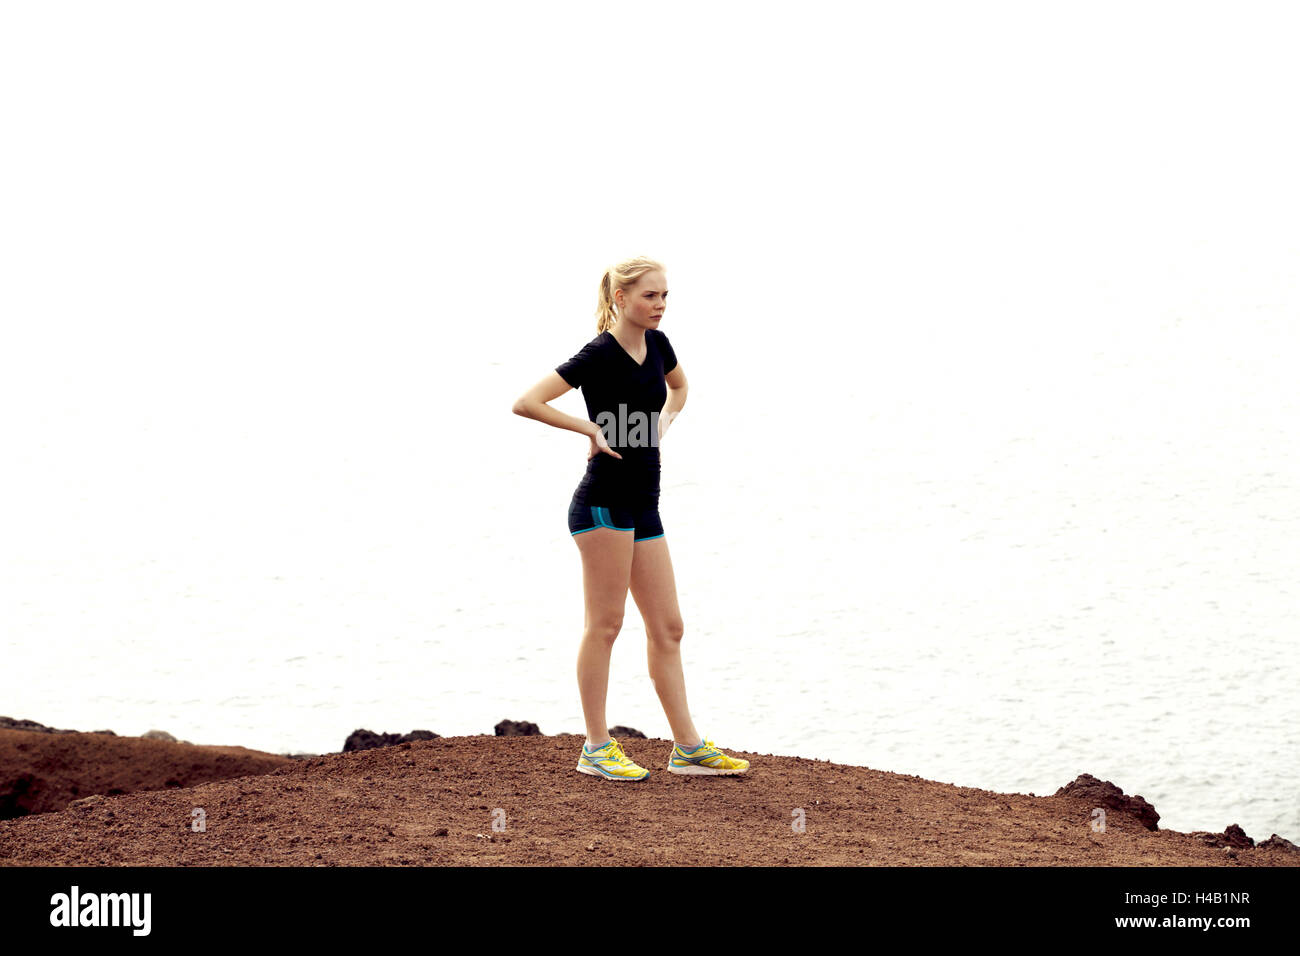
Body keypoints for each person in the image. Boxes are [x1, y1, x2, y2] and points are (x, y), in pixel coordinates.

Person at [511, 256, 750, 781]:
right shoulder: (599, 353)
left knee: (668, 627)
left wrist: (665, 419)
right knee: (607, 624)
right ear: (621, 298)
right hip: (602, 504)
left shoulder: (660, 345)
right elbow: (526, 402)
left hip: (645, 503)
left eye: (665, 296)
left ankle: (686, 748)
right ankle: (595, 747)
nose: (660, 305)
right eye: (650, 296)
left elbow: (681, 388)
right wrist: (588, 430)